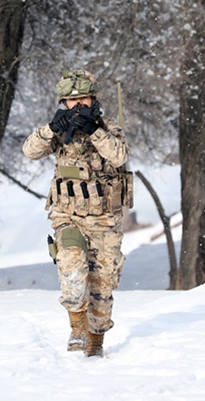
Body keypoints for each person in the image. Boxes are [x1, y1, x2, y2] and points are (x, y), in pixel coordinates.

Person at [23, 70, 132, 357]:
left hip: (105, 222)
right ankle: (76, 329)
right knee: (72, 274)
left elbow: (119, 156)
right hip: (68, 217)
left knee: (102, 289)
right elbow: (30, 151)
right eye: (71, 101)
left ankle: (95, 340)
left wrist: (95, 130)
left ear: (93, 99)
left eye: (83, 98)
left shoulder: (107, 129)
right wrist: (50, 129)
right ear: (64, 103)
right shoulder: (60, 131)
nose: (78, 105)